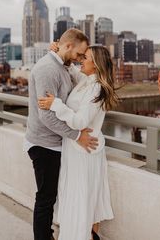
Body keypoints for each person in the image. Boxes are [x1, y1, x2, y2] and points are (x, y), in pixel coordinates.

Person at [25, 29, 99, 240]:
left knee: (53, 196)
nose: (80, 58)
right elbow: (46, 116)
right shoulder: (48, 69)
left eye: (84, 57)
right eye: (79, 54)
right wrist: (77, 136)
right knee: (46, 198)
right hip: (44, 144)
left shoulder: (64, 67)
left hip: (57, 143)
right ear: (68, 46)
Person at [38, 44, 118, 240]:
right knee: (83, 200)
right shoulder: (87, 81)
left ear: (96, 65)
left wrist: (56, 104)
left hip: (83, 153)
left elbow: (80, 121)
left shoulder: (96, 88)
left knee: (82, 201)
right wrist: (57, 51)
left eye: (86, 58)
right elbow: (71, 68)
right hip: (76, 149)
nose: (81, 60)